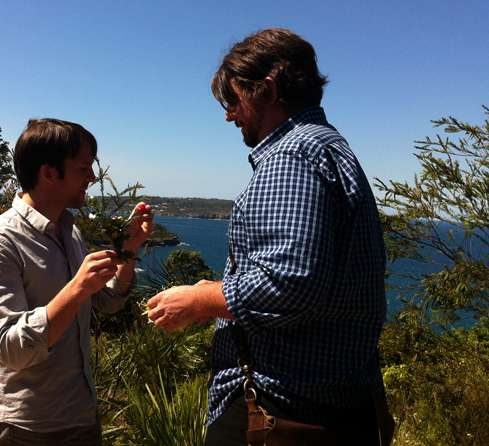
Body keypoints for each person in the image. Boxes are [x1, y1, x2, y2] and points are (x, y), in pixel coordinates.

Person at [147, 28, 390, 445]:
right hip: (344, 406)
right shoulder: (333, 149)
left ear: (269, 90)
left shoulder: (291, 157)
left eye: (233, 99)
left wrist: (198, 299)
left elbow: (291, 282)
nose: (228, 114)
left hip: (280, 411)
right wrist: (216, 290)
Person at [0, 118, 153, 446]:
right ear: (49, 173)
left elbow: (107, 302)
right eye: (83, 168)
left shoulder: (70, 232)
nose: (92, 177)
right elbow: (11, 349)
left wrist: (129, 252)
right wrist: (77, 287)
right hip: (26, 428)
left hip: (80, 417)